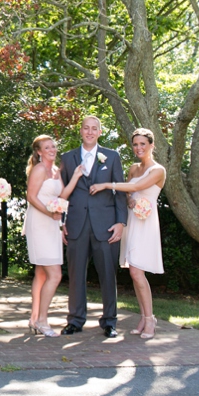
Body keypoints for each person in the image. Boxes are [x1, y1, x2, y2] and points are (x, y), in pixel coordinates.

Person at [90, 128, 165, 339]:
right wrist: (130, 199)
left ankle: (150, 319)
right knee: (133, 271)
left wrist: (106, 184)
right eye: (135, 144)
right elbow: (130, 190)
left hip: (146, 224)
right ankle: (144, 317)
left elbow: (141, 186)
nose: (139, 148)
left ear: (151, 145)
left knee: (136, 272)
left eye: (143, 144)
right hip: (132, 222)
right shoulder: (133, 168)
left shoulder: (158, 170)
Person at [60, 116, 127, 338]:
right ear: (80, 131)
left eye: (94, 129)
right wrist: (61, 223)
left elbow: (120, 191)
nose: (89, 132)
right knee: (76, 274)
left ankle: (109, 322)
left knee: (108, 274)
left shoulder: (112, 156)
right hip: (76, 224)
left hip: (105, 226)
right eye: (86, 128)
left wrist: (120, 222)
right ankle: (75, 320)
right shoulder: (67, 158)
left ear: (100, 132)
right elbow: (62, 194)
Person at [23, 135, 82, 337]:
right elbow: (31, 197)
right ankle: (42, 320)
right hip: (39, 223)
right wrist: (50, 213)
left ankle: (34, 318)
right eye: (47, 147)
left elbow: (62, 196)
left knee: (41, 273)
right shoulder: (39, 169)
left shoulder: (57, 171)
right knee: (55, 274)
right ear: (39, 151)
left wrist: (75, 176)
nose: (52, 149)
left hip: (52, 223)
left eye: (53, 146)